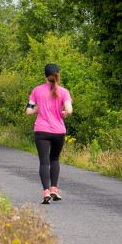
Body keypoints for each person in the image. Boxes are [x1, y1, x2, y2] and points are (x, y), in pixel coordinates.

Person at [25, 63, 73, 204]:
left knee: (44, 162)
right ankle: (54, 189)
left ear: (44, 75)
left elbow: (28, 110)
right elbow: (69, 110)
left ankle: (45, 192)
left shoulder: (36, 90)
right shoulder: (64, 91)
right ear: (58, 75)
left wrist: (39, 109)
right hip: (59, 131)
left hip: (41, 130)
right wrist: (62, 113)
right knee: (55, 159)